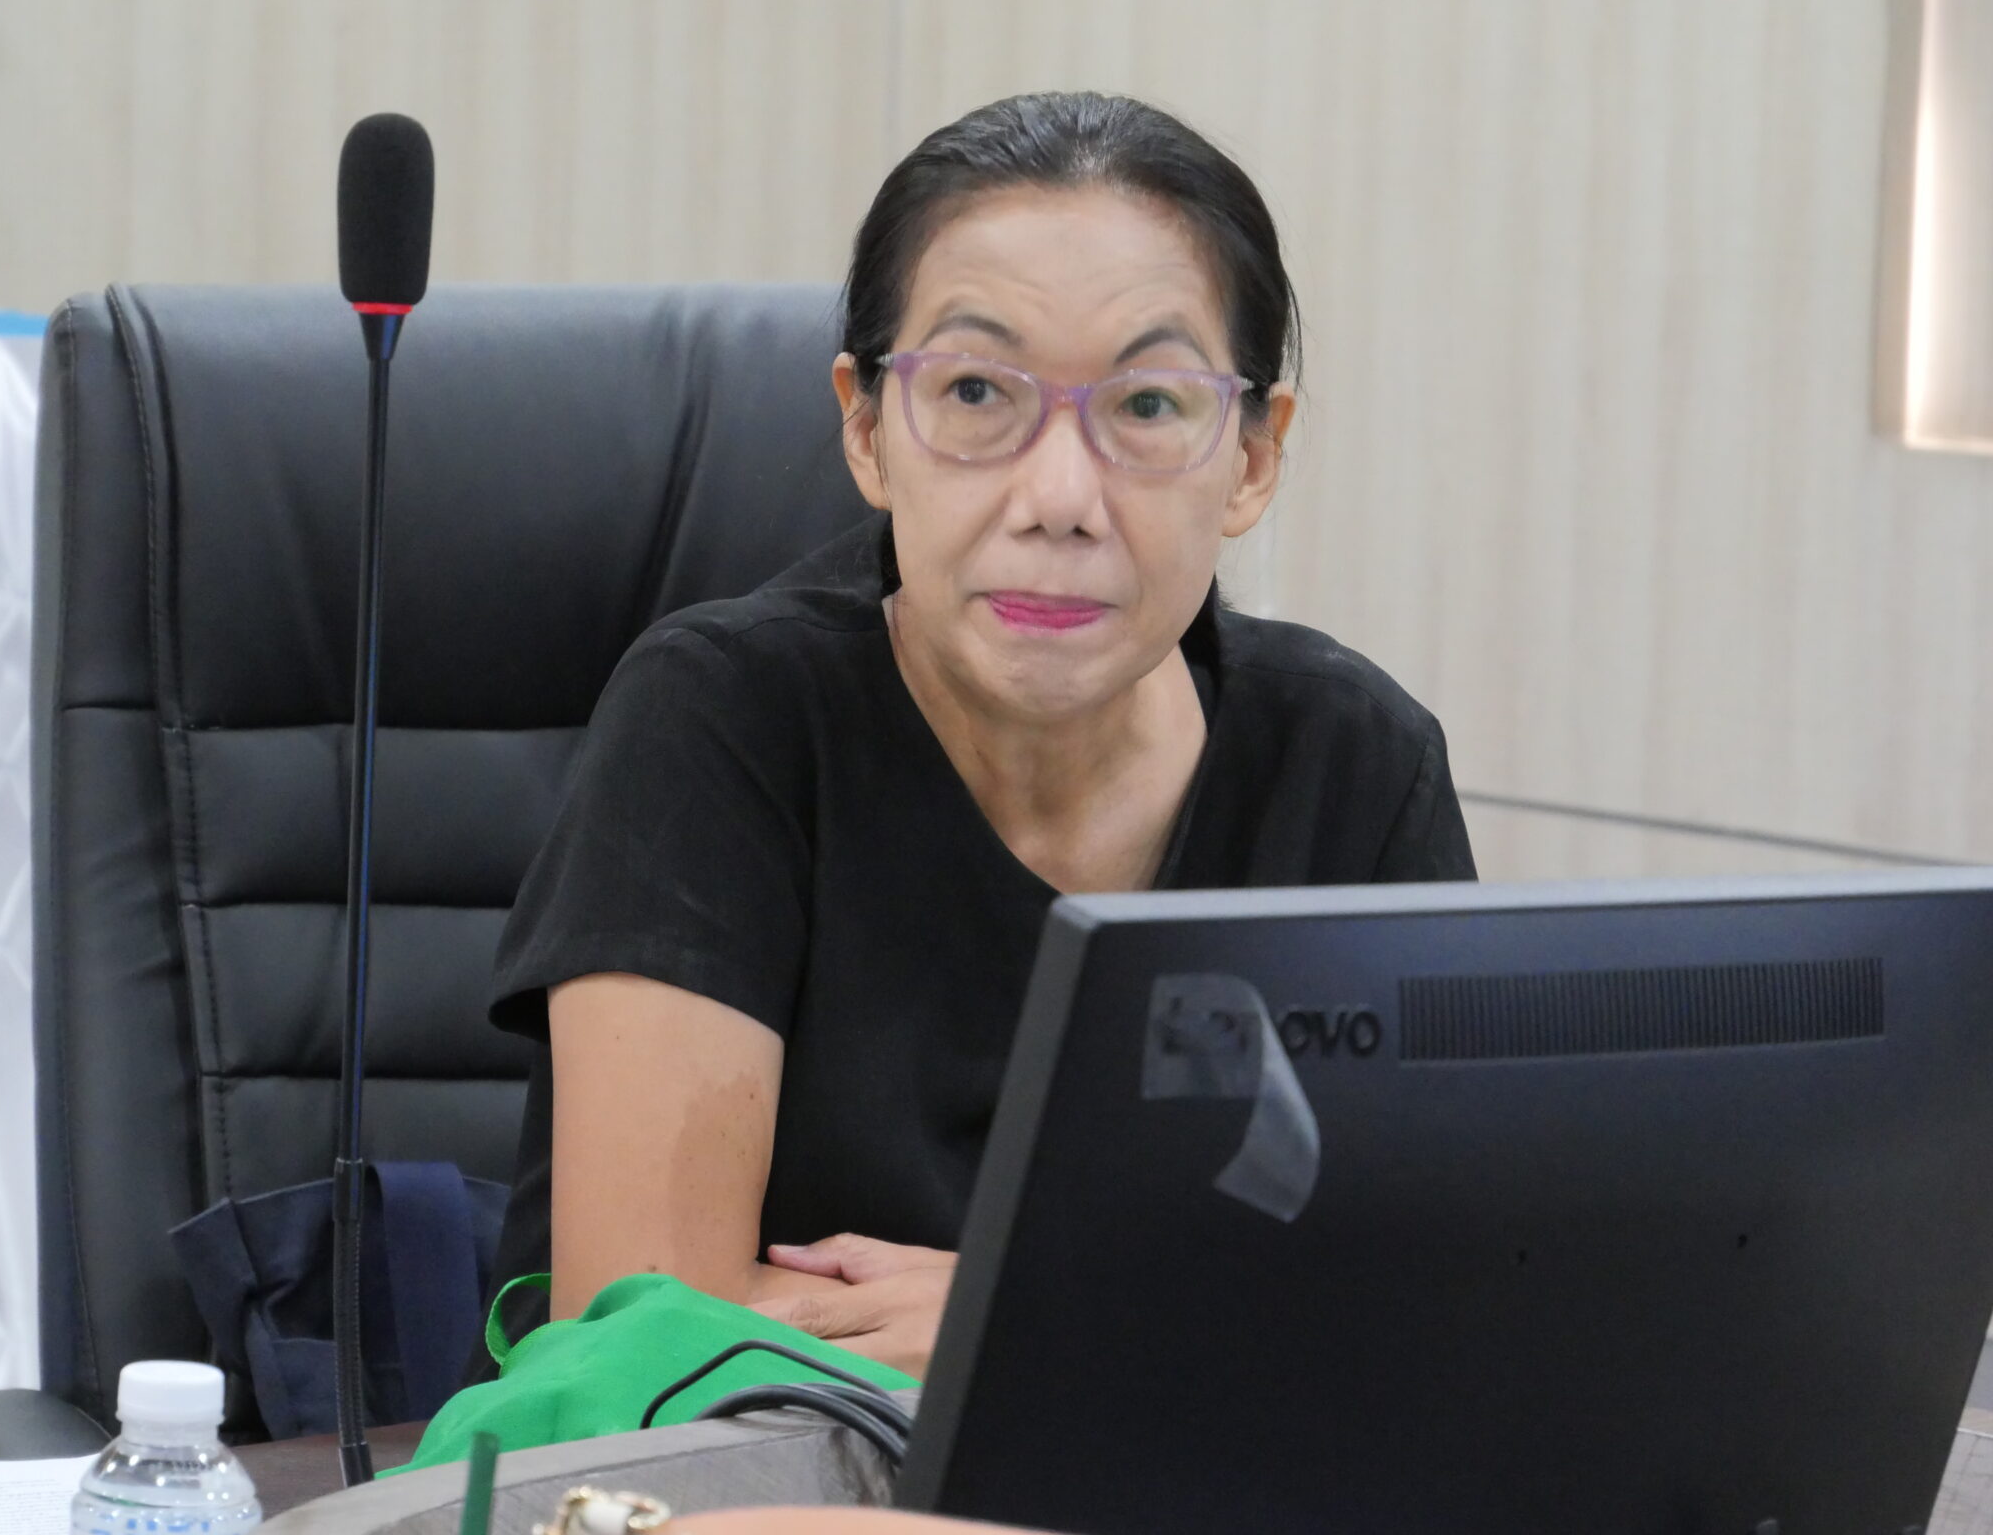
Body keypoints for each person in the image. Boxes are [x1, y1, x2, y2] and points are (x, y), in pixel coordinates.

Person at [488, 91, 1474, 1376]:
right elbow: (642, 1336)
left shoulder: (1351, 768)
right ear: (865, 430)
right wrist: (1195, 1328)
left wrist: (1023, 1318)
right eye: (972, 391)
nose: (1058, 498)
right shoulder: (722, 723)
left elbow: (1422, 1320)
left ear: (1250, 457)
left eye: (1149, 406)